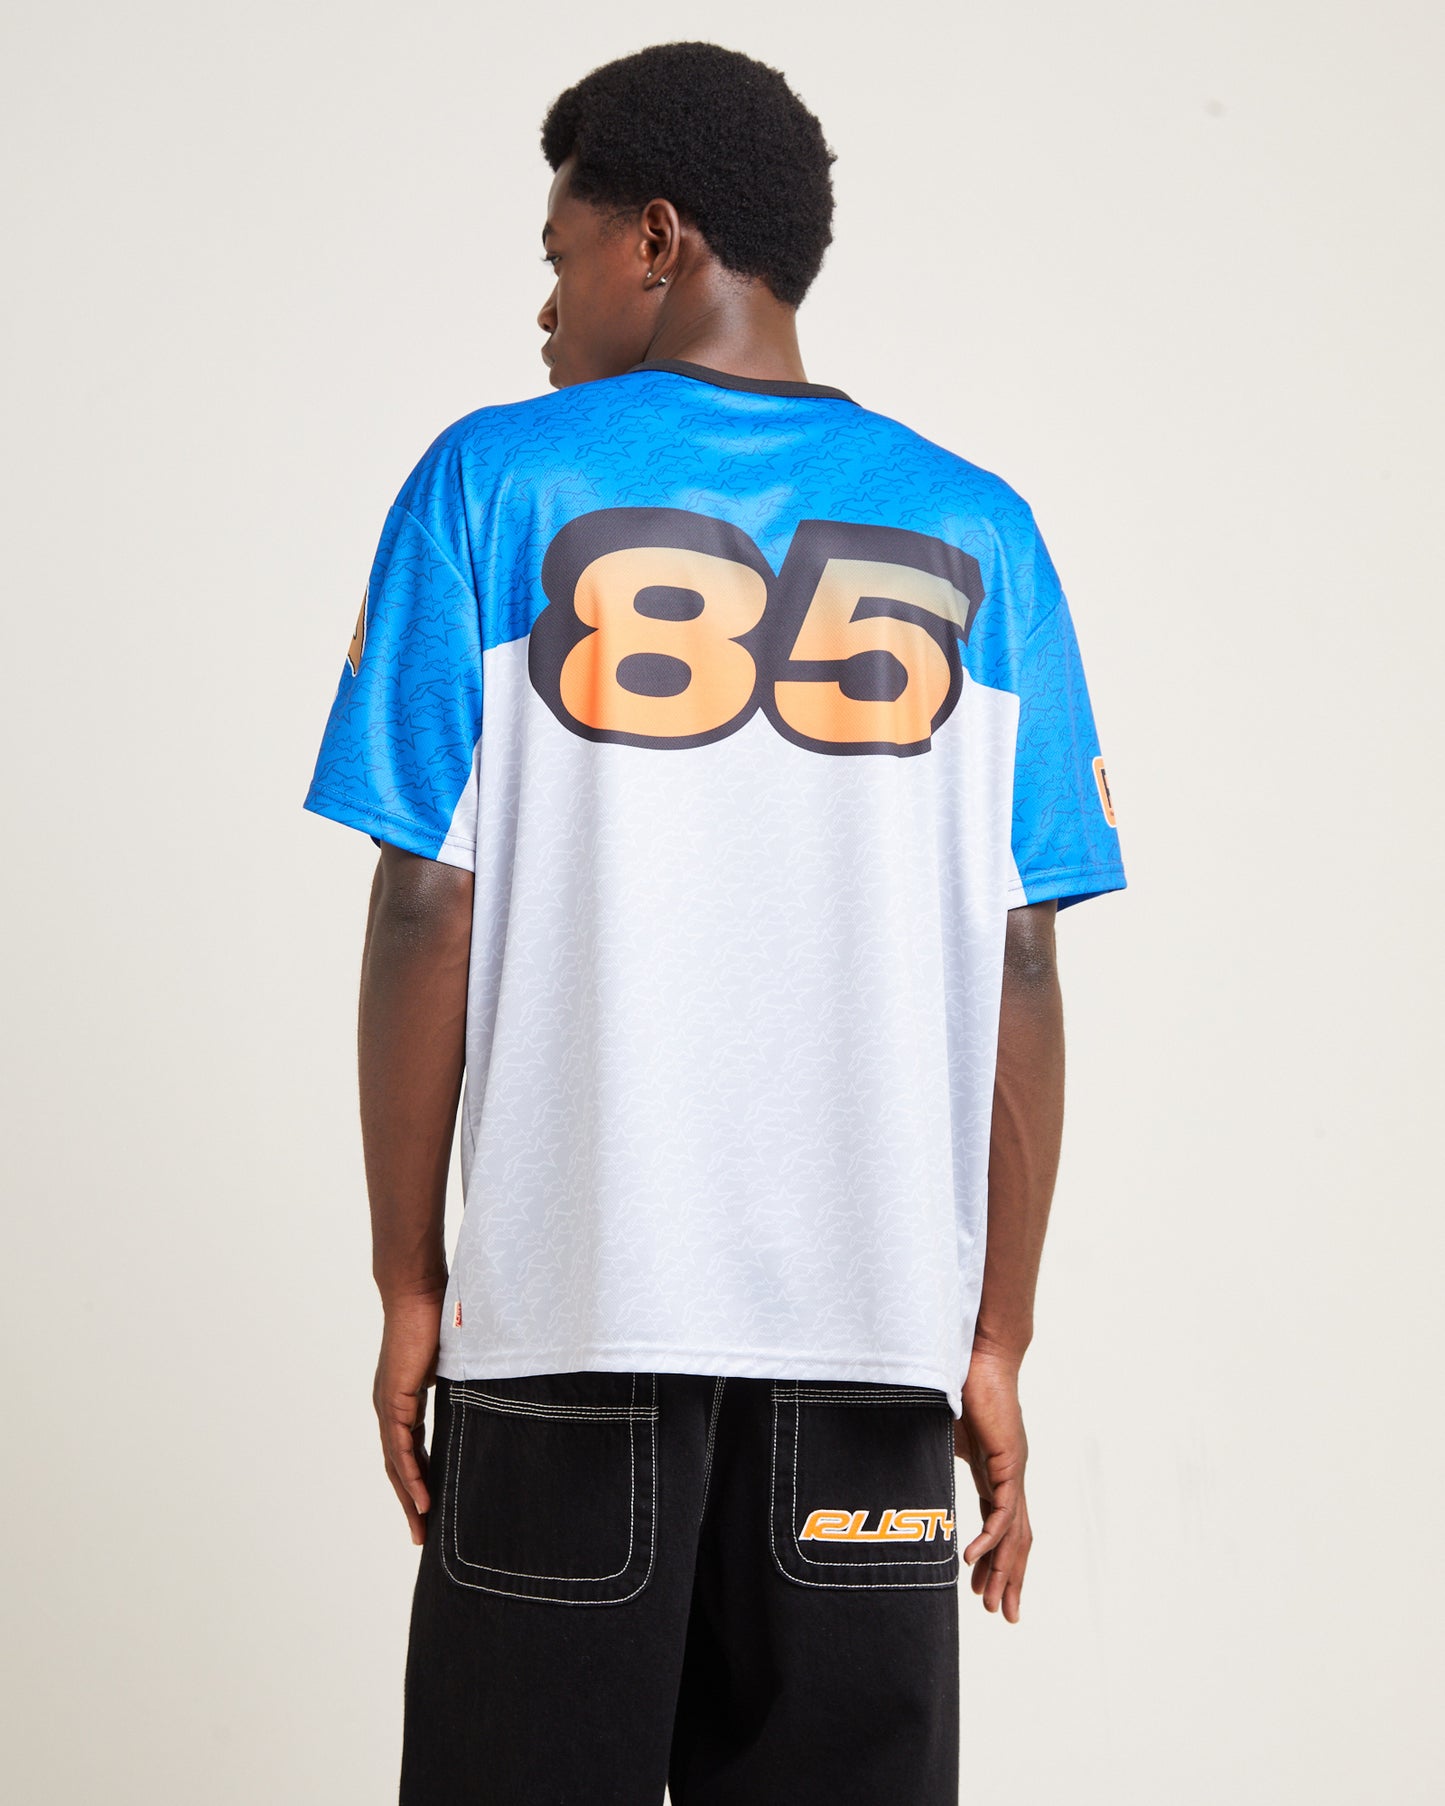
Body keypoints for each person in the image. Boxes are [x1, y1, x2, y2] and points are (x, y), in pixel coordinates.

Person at [304, 39, 1125, 1806]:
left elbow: (424, 901)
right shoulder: (979, 528)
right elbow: (1022, 956)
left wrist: (407, 1278)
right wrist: (992, 1337)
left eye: (559, 254)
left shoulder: (490, 482)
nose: (543, 308)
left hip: (568, 1324)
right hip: (872, 1353)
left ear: (656, 240)